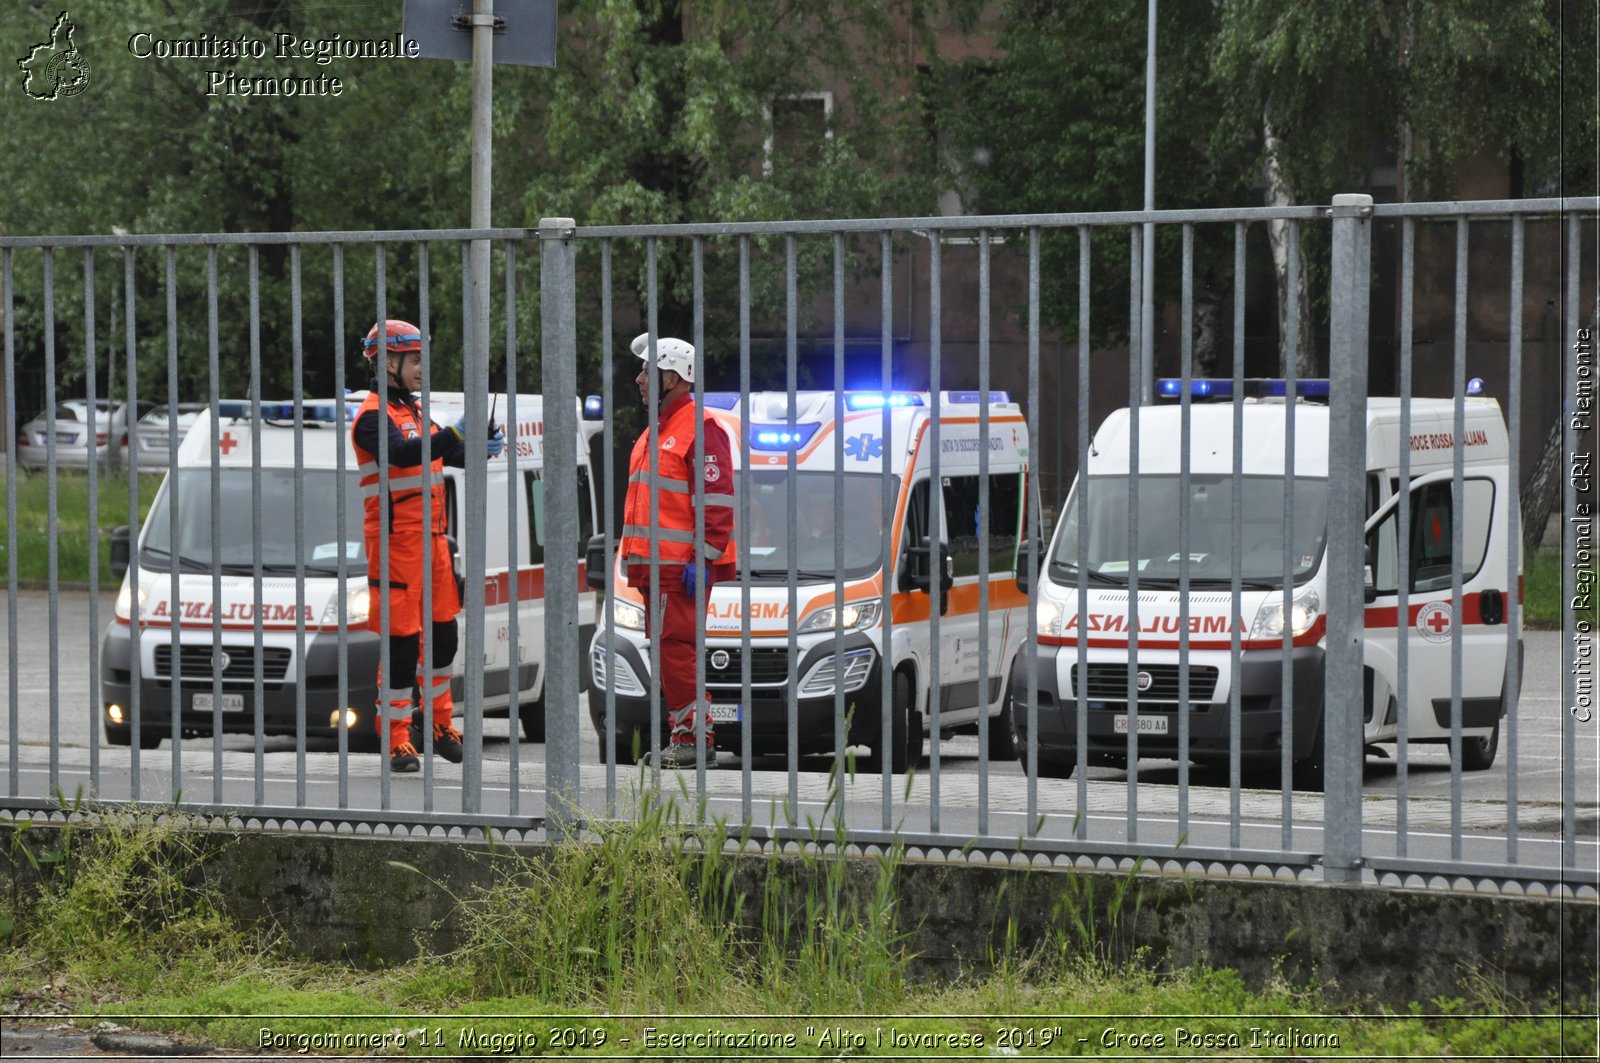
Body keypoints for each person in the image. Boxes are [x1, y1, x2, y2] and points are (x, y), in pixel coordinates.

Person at [351, 319, 505, 773]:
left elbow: (442, 451)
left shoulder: (417, 412)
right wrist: (454, 436)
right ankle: (396, 737)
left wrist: (477, 447)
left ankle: (437, 724)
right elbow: (401, 453)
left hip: (435, 544)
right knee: (401, 647)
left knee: (443, 639)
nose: (422, 369)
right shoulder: (372, 417)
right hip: (396, 546)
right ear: (388, 363)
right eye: (415, 360)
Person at [619, 331, 736, 768]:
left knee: (678, 651)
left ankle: (692, 740)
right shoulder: (659, 430)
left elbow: (717, 500)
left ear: (670, 377)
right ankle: (687, 735)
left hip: (679, 567)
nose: (639, 379)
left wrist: (702, 558)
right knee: (672, 652)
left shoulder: (699, 427)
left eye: (647, 371)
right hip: (658, 568)